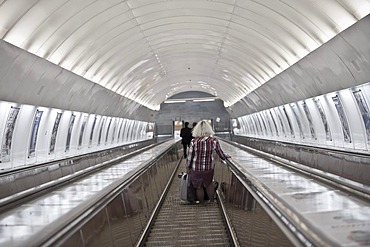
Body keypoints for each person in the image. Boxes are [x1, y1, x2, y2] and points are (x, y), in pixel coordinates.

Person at [185, 120, 230, 205]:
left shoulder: (193, 141)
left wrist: (188, 167)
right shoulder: (214, 141)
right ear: (209, 129)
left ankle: (202, 203)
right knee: (209, 185)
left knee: (199, 187)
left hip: (196, 168)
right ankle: (212, 202)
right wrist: (225, 156)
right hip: (209, 168)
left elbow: (190, 157)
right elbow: (220, 153)